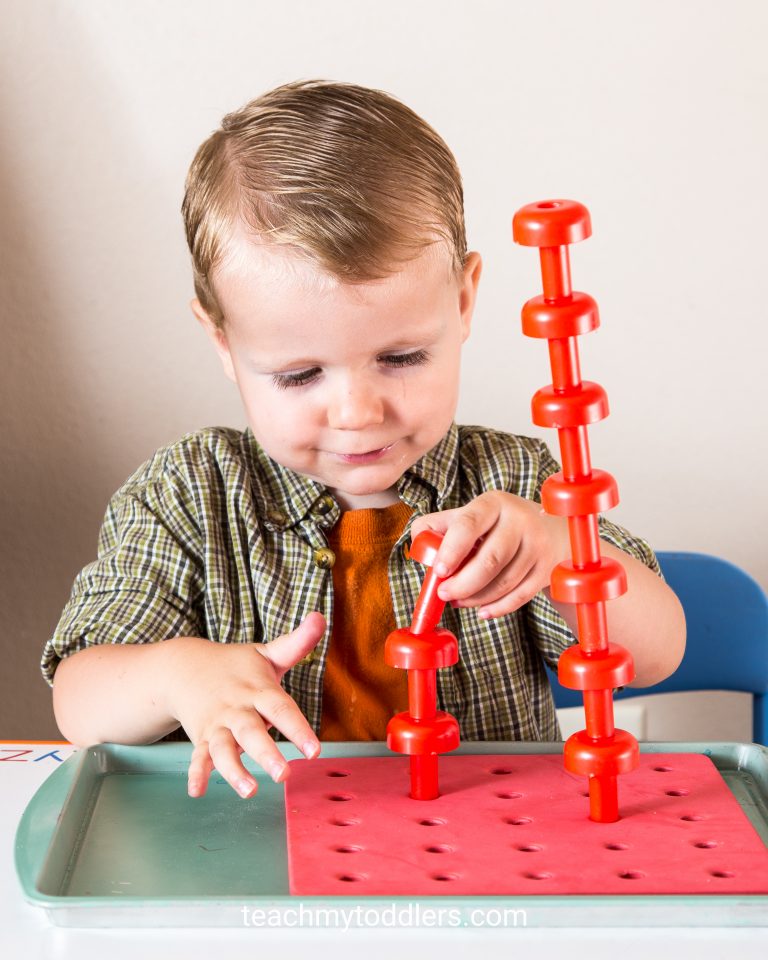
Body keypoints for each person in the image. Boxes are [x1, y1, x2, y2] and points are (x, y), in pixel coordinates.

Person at [43, 80, 685, 801]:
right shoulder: (190, 494)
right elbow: (79, 699)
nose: (356, 412)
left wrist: (563, 549)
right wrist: (176, 674)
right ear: (222, 342)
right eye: (298, 374)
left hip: (484, 855)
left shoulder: (516, 480)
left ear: (464, 302)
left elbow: (658, 654)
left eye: (401, 358)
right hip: (258, 860)